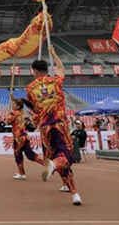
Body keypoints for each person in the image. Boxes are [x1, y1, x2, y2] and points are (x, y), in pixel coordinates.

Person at [26, 45, 82, 205]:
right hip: (60, 124)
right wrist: (54, 53)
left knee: (58, 158)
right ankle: (55, 167)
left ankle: (74, 193)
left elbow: (35, 110)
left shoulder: (30, 88)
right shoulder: (56, 81)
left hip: (45, 128)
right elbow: (62, 68)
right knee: (66, 157)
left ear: (35, 71)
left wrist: (35, 120)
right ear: (45, 69)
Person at [7, 97, 44, 180]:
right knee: (30, 154)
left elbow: (7, 122)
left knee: (18, 155)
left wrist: (8, 113)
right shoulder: (22, 113)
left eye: (14, 104)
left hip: (18, 138)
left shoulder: (14, 114)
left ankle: (22, 173)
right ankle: (45, 164)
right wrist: (13, 98)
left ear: (18, 106)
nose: (12, 105)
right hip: (25, 136)